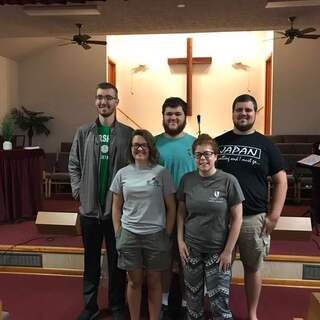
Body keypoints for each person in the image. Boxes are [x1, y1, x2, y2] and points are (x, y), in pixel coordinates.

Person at [215, 94, 288, 320]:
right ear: (233, 112)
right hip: (221, 218)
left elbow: (281, 180)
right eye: (239, 109)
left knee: (252, 268)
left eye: (248, 110)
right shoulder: (219, 142)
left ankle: (252, 313)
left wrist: (274, 215)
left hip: (252, 218)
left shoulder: (266, 145)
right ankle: (220, 312)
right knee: (218, 269)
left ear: (255, 113)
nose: (243, 114)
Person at [69, 82, 133, 320]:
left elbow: (133, 170)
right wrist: (79, 192)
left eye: (108, 97)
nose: (103, 102)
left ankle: (117, 305)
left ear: (117, 102)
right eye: (99, 97)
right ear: (95, 101)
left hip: (116, 212)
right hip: (89, 210)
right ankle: (91, 305)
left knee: (117, 261)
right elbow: (74, 165)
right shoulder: (83, 132)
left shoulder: (127, 134)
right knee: (91, 261)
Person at [110, 129, 176, 320]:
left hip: (156, 235)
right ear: (130, 149)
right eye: (135, 145)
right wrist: (118, 233)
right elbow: (116, 207)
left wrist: (167, 233)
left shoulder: (161, 173)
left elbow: (171, 207)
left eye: (143, 145)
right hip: (129, 234)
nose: (139, 148)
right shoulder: (122, 174)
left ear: (150, 148)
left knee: (154, 282)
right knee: (134, 282)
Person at [177, 134, 243, 320]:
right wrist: (180, 241)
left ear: (216, 156)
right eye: (198, 155)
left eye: (207, 154)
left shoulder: (229, 181)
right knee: (192, 302)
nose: (202, 159)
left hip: (218, 251)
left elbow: (237, 218)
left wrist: (228, 251)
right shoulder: (187, 180)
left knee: (219, 303)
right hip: (192, 249)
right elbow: (181, 213)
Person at [155, 97, 196, 319]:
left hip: (189, 214)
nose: (173, 118)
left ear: (184, 117)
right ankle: (162, 301)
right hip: (159, 213)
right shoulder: (152, 143)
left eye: (177, 114)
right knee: (163, 260)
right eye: (169, 114)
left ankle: (184, 304)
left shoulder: (195, 144)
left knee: (186, 261)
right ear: (162, 116)